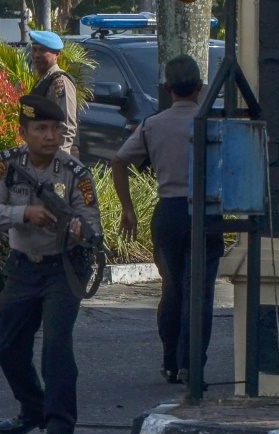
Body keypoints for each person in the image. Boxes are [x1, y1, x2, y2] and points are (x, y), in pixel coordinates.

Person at [0, 94, 103, 434]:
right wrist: (24, 214)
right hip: (22, 267)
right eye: (41, 129)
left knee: (56, 347)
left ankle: (60, 427)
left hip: (64, 268)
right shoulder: (7, 164)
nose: (50, 136)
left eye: (56, 129)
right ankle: (33, 408)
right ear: (24, 131)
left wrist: (79, 230)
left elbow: (91, 225)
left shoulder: (76, 173)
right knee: (7, 345)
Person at [110, 54, 224, 386]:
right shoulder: (211, 124)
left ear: (166, 88)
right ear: (200, 88)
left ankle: (170, 362)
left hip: (169, 213)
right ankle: (192, 365)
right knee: (198, 292)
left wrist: (127, 209)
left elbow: (119, 162)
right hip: (207, 212)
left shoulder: (152, 125)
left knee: (172, 289)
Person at [28, 30, 79, 158]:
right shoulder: (44, 80)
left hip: (55, 156)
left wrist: (59, 159)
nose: (36, 55)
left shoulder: (60, 81)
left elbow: (67, 125)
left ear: (57, 54)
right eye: (34, 50)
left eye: (42, 50)